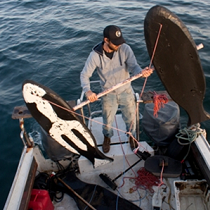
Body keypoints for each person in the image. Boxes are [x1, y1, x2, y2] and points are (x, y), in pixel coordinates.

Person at [80, 25, 153, 153]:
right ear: (106, 40)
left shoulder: (125, 48)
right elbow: (84, 75)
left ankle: (131, 137)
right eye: (115, 43)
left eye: (120, 42)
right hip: (108, 93)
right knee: (107, 120)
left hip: (126, 91)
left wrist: (141, 72)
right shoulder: (95, 56)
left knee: (131, 118)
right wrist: (88, 91)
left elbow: (134, 67)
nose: (119, 45)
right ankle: (107, 137)